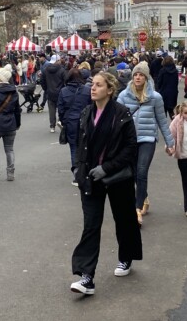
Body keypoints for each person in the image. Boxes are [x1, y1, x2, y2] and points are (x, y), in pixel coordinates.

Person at [70, 71, 141, 296]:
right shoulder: (86, 113)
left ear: (110, 90)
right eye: (92, 84)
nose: (93, 88)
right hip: (91, 179)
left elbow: (131, 148)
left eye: (98, 85)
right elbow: (80, 145)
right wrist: (78, 170)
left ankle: (126, 258)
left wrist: (107, 168)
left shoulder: (122, 114)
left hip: (117, 177)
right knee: (91, 225)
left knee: (125, 220)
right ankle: (86, 277)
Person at [118, 62, 174, 226]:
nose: (138, 77)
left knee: (142, 171)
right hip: (129, 141)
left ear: (146, 77)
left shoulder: (155, 97)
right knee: (134, 174)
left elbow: (162, 122)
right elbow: (118, 122)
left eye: (141, 75)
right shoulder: (123, 96)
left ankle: (136, 209)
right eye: (135, 74)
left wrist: (170, 143)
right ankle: (144, 197)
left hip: (147, 139)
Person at [57, 68, 92, 183]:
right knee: (86, 147)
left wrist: (64, 121)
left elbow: (61, 109)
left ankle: (77, 174)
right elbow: (92, 107)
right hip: (85, 122)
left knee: (74, 148)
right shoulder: (87, 90)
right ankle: (86, 172)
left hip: (71, 122)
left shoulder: (64, 91)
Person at [41, 54, 66, 133]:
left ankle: (52, 126)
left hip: (50, 92)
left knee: (52, 110)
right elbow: (65, 80)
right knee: (61, 108)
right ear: (58, 61)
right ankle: (60, 121)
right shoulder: (62, 70)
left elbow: (42, 81)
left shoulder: (45, 70)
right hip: (60, 92)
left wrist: (46, 89)